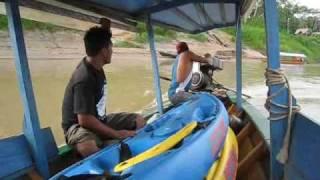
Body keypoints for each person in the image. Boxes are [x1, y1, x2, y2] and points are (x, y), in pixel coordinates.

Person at [62, 19, 145, 157]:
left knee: (139, 120)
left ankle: (132, 151)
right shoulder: (84, 78)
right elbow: (84, 120)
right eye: (111, 48)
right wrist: (117, 134)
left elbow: (100, 40)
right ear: (104, 51)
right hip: (77, 127)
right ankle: (107, 172)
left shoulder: (96, 63)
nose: (112, 51)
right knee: (87, 145)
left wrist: (105, 28)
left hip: (99, 119)